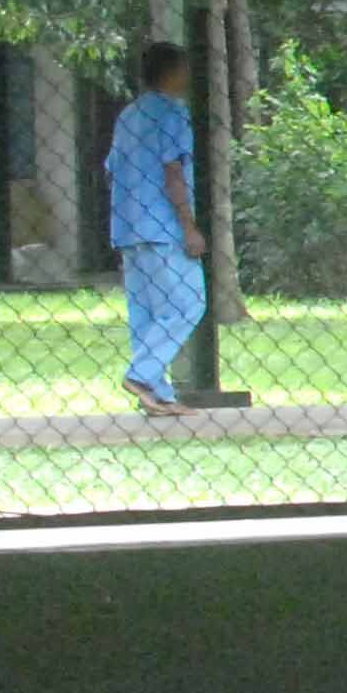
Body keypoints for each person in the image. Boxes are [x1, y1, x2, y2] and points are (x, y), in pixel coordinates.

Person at [106, 41, 207, 419]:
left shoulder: (128, 115)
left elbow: (111, 169)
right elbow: (173, 171)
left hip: (128, 225)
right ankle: (142, 375)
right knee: (189, 302)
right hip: (163, 226)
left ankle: (158, 395)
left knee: (146, 313)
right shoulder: (173, 113)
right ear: (172, 72)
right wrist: (189, 226)